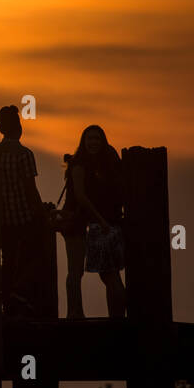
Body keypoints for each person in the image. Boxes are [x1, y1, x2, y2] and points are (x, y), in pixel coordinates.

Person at [62, 125, 127, 318]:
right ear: (83, 141)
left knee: (108, 273)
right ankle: (75, 314)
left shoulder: (104, 164)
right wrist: (103, 221)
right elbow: (80, 197)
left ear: (103, 141)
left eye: (97, 139)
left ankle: (115, 317)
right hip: (77, 221)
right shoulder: (79, 163)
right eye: (89, 138)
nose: (93, 142)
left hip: (98, 223)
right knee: (76, 271)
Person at [0, 105, 45, 318]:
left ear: (0, 128)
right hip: (23, 216)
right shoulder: (25, 154)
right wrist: (41, 213)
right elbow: (30, 189)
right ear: (18, 127)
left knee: (7, 260)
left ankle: (7, 301)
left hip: (1, 218)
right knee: (34, 255)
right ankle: (17, 294)